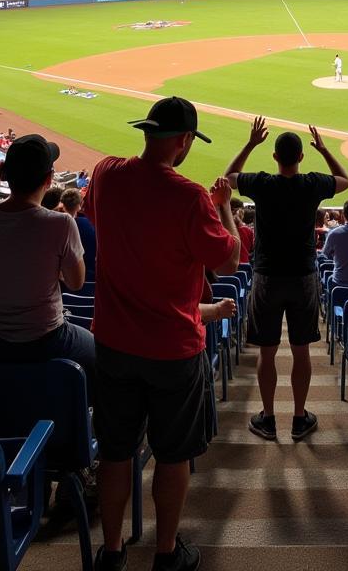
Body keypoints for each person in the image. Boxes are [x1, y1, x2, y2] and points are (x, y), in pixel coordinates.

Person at [85, 96, 241, 571]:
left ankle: (111, 552)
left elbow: (101, 211)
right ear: (183, 141)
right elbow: (228, 259)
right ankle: (165, 554)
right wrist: (224, 209)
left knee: (115, 453)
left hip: (112, 342)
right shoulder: (191, 197)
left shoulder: (107, 174)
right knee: (172, 455)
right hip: (173, 348)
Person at [225, 117, 348, 441]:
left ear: (275, 157)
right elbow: (344, 180)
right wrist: (324, 149)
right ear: (301, 157)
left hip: (267, 276)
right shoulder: (311, 184)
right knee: (301, 351)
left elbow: (228, 178)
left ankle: (267, 418)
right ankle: (298, 418)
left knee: (267, 352)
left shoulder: (263, 183)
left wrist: (251, 143)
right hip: (303, 277)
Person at [0, 135, 95, 383]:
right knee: (99, 351)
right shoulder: (62, 223)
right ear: (48, 179)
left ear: (7, 174)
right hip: (44, 338)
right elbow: (76, 283)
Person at [61, 187, 96, 280]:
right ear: (80, 205)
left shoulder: (56, 224)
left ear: (63, 204)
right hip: (88, 275)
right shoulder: (89, 224)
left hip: (65, 277)